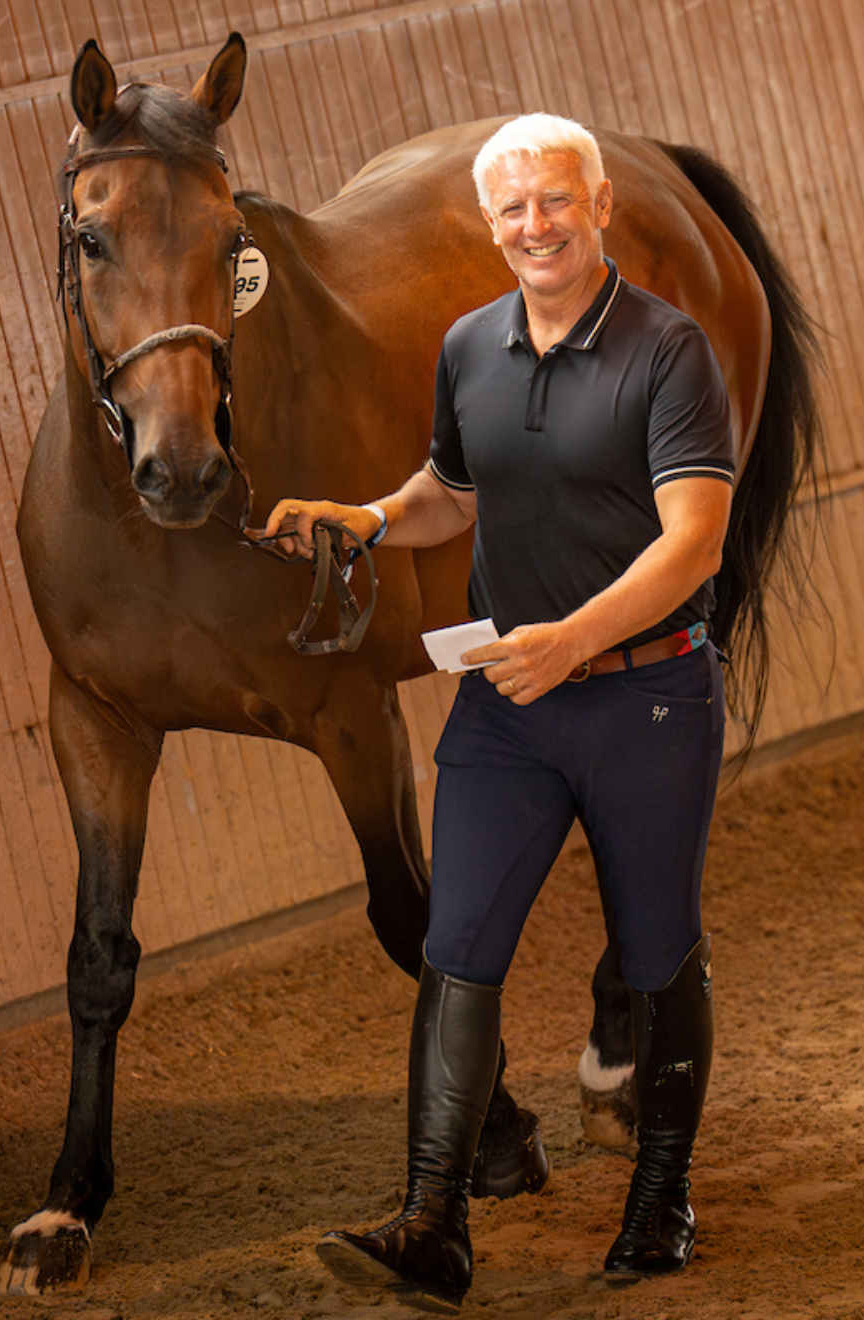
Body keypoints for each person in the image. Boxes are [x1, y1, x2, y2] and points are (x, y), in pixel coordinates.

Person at [260, 113, 734, 1311]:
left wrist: (578, 637)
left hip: (646, 701)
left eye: (556, 202)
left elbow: (694, 542)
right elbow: (451, 490)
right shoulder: (471, 346)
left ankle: (661, 1197)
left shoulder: (669, 354)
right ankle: (432, 1224)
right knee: (455, 952)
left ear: (601, 206)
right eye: (514, 209)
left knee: (656, 948)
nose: (537, 226)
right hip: (510, 708)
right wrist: (368, 518)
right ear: (491, 225)